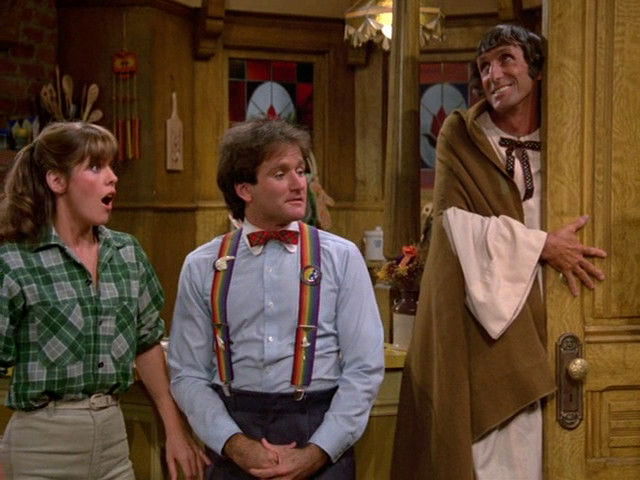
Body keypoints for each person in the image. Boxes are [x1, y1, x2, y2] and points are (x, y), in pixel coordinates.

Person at [391, 24, 607, 480]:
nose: (494, 74)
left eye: (507, 59)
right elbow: (453, 225)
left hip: (565, 302)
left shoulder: (571, 134)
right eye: (485, 66)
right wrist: (542, 245)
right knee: (498, 450)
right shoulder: (463, 134)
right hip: (487, 310)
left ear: (537, 69)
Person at [169, 117, 385, 479]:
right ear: (245, 189)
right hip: (234, 431)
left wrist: (318, 451)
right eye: (280, 173)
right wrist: (234, 444)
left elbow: (364, 369)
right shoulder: (202, 265)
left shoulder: (342, 257)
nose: (299, 183)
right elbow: (187, 373)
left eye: (300, 170)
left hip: (319, 428)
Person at [0, 122, 209, 479]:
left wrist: (174, 429)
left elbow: (146, 342)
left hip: (113, 440)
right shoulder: (16, 260)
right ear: (57, 181)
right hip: (41, 446)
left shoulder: (126, 252)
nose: (112, 177)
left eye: (111, 166)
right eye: (95, 167)